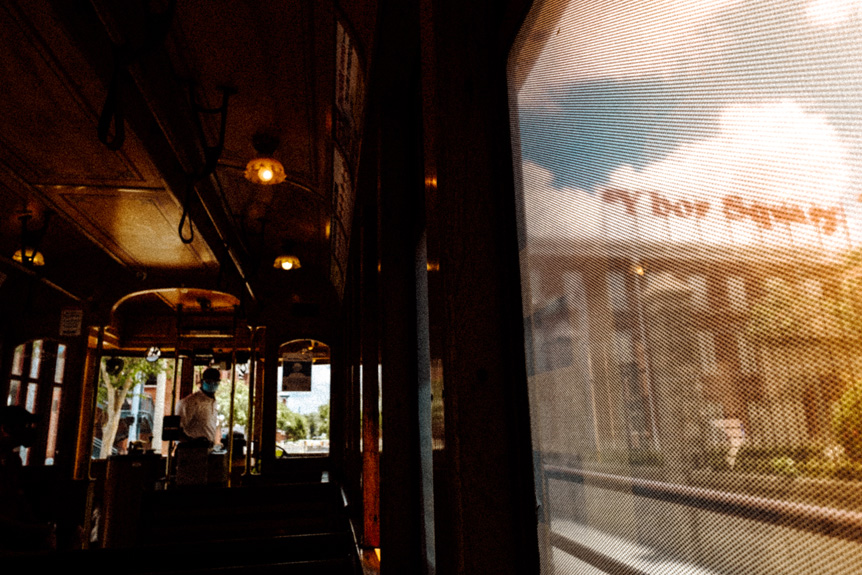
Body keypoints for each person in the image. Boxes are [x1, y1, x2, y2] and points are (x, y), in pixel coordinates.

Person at [0, 405, 55, 553]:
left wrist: (37, 526)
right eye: (25, 425)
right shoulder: (9, 461)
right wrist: (33, 529)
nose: (30, 429)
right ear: (6, 428)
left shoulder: (13, 460)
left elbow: (19, 497)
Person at [177, 367, 222, 448]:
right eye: (209, 381)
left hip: (207, 449)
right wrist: (193, 442)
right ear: (202, 382)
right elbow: (177, 430)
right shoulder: (191, 402)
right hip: (191, 450)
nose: (212, 384)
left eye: (215, 382)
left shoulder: (213, 402)